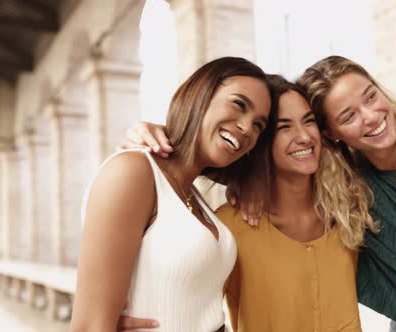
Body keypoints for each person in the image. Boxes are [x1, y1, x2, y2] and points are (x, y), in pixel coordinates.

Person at [122, 56, 396, 332]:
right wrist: (162, 141)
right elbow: (190, 280)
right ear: (333, 133)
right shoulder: (337, 198)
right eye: (348, 115)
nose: (371, 117)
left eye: (371, 96)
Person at [119, 74, 376, 332]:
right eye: (283, 127)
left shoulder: (349, 210)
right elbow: (183, 297)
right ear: (259, 143)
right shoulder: (229, 228)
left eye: (308, 122)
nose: (304, 137)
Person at [69, 56, 271, 332]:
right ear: (199, 94)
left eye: (259, 125)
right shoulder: (134, 172)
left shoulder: (194, 195)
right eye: (238, 104)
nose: (247, 128)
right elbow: (90, 326)